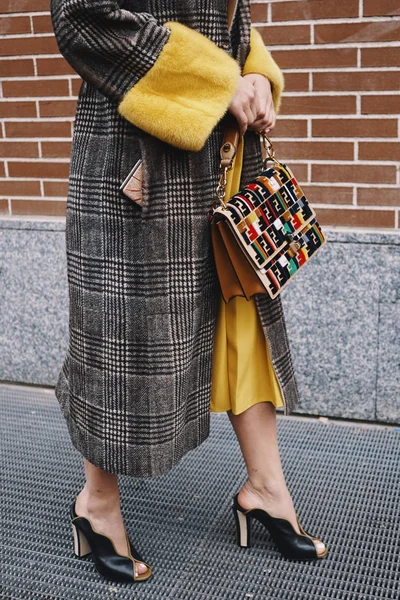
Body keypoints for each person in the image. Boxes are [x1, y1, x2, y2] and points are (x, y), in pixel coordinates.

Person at [51, 0, 327, 584]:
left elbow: (229, 19)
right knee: (120, 336)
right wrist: (218, 82)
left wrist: (254, 73)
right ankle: (96, 505)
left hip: (223, 156)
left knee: (243, 318)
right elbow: (80, 16)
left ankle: (265, 489)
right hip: (140, 162)